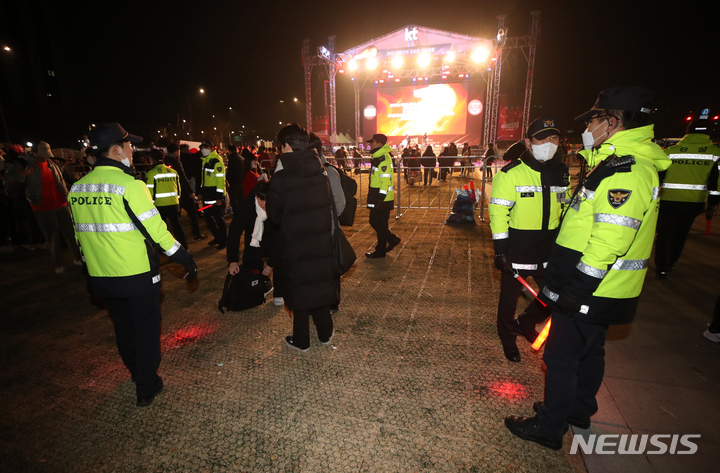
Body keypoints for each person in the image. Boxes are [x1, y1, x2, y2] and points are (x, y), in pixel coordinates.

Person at [504, 87, 671, 449]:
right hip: (606, 287)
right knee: (591, 351)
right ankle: (577, 409)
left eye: (594, 118)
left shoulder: (627, 169)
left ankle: (550, 426)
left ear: (614, 121)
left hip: (593, 285)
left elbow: (610, 241)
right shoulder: (621, 161)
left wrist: (577, 287)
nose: (589, 125)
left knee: (560, 357)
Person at [68, 123, 197, 407]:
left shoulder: (77, 188)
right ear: (116, 150)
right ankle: (147, 385)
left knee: (123, 327)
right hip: (136, 276)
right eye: (128, 146)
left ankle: (137, 372)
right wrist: (184, 258)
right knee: (146, 329)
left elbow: (80, 235)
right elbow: (158, 231)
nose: (132, 150)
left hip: (101, 277)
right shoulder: (130, 185)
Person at [489, 117, 569, 362]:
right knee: (509, 299)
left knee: (553, 296)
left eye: (553, 138)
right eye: (542, 138)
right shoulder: (510, 173)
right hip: (518, 248)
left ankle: (525, 322)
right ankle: (507, 335)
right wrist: (501, 251)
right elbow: (498, 213)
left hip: (549, 249)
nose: (549, 143)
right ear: (528, 142)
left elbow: (563, 210)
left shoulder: (561, 172)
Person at [267, 124, 339, 352]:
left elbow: (274, 216)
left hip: (295, 243)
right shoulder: (320, 172)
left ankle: (302, 340)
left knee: (300, 286)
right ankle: (325, 334)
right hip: (321, 241)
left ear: (286, 146)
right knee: (317, 283)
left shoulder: (281, 178)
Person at [654, 119, 720, 279]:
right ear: (708, 133)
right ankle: (670, 263)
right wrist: (712, 204)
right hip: (693, 201)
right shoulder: (715, 153)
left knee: (664, 234)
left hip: (668, 199)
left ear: (687, 131)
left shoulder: (670, 151)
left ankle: (661, 265)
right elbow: (716, 181)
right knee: (680, 234)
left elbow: (657, 177)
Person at [25, 141, 83, 273]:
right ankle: (59, 263)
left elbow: (63, 178)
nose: (46, 156)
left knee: (71, 233)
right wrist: (20, 176)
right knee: (52, 236)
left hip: (61, 203)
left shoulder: (51, 164)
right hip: (42, 206)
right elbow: (11, 182)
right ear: (34, 153)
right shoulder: (26, 165)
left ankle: (77, 257)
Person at [365, 133, 401, 258]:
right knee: (375, 222)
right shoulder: (377, 157)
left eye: (372, 142)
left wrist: (380, 198)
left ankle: (380, 251)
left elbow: (385, 180)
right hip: (377, 196)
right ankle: (392, 239)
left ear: (380, 144)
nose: (370, 144)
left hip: (382, 198)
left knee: (380, 224)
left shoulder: (383, 159)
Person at [146, 148, 188, 248]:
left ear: (152, 159)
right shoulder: (173, 171)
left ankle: (163, 249)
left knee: (161, 229)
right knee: (177, 227)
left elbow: (149, 192)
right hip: (174, 204)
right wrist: (177, 200)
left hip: (159, 205)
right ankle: (184, 247)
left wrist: (150, 205)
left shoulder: (151, 173)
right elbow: (179, 189)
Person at [165, 143, 204, 240]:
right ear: (176, 151)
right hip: (182, 191)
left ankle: (177, 236)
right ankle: (196, 234)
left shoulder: (165, 160)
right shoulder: (176, 161)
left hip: (172, 192)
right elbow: (183, 177)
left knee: (175, 217)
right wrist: (190, 191)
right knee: (193, 212)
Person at [198, 140, 227, 249]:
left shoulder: (216, 161)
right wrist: (201, 193)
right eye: (202, 148)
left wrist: (219, 197)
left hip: (215, 195)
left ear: (212, 148)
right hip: (207, 195)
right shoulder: (205, 161)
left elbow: (220, 181)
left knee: (218, 218)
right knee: (208, 218)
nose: (203, 150)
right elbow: (204, 179)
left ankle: (224, 240)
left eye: (206, 147)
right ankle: (217, 236)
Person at [226, 144, 244, 214]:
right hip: (241, 180)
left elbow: (230, 171)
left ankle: (237, 213)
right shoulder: (241, 158)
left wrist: (228, 180)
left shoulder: (232, 158)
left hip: (234, 182)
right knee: (240, 198)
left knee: (234, 199)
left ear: (230, 151)